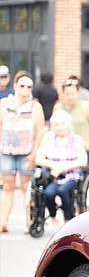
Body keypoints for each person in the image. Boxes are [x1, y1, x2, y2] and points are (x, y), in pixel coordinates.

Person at [1, 71, 45, 233]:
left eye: (29, 86)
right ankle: (3, 222)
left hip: (26, 151)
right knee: (8, 186)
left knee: (27, 187)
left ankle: (29, 222)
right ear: (15, 86)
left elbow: (39, 131)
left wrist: (34, 153)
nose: (25, 88)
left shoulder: (35, 106)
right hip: (6, 150)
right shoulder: (5, 104)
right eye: (22, 85)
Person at [34, 110, 86, 225]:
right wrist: (54, 165)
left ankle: (68, 218)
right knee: (48, 193)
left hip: (72, 176)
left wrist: (64, 167)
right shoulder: (48, 138)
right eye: (57, 124)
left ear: (68, 124)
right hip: (54, 176)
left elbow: (83, 160)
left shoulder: (76, 139)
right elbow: (39, 158)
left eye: (63, 124)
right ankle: (53, 216)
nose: (60, 127)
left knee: (63, 191)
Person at [55, 76, 89, 173]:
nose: (70, 97)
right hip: (63, 150)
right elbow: (54, 128)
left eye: (73, 93)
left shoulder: (86, 106)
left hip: (83, 149)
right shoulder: (59, 107)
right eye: (67, 94)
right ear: (63, 93)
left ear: (78, 92)